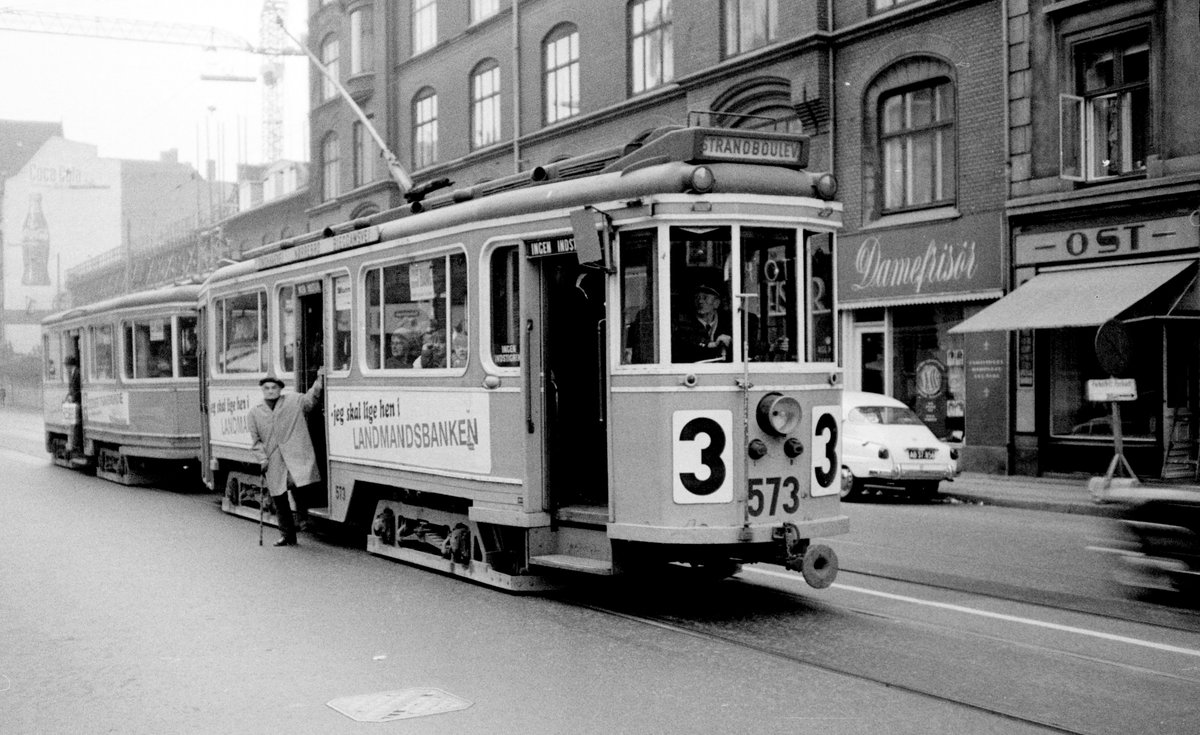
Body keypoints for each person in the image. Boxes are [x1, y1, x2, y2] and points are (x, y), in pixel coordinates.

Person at [248, 369, 324, 547]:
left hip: (294, 454)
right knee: (279, 498)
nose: (270, 391)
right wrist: (262, 459)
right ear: (262, 390)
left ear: (280, 389)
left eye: (274, 387)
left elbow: (310, 400)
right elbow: (256, 441)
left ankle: (302, 518)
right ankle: (287, 535)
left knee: (299, 485)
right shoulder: (255, 412)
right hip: (273, 459)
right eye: (266, 388)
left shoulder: (294, 401)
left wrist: (319, 379)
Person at [672, 283, 733, 362]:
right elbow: (685, 340)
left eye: (705, 297)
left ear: (716, 303)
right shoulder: (684, 322)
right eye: (697, 297)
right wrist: (712, 344)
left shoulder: (728, 321)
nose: (700, 301)